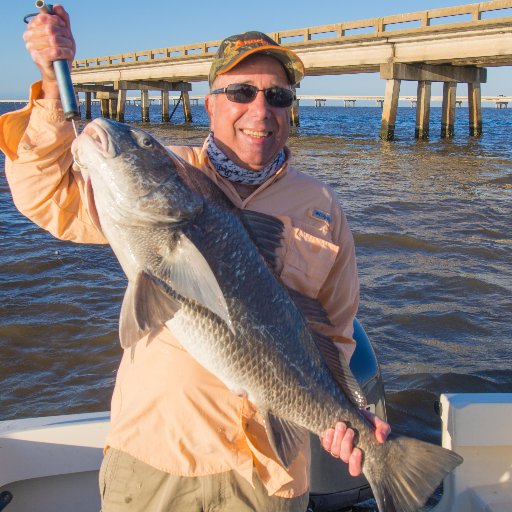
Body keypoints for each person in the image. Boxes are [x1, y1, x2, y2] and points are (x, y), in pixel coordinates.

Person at [0, 6, 390, 512]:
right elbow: (46, 193)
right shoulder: (167, 172)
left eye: (278, 96)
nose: (259, 109)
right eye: (241, 92)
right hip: (157, 459)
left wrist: (347, 417)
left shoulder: (322, 207)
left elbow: (335, 330)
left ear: (290, 109)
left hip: (268, 474)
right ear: (209, 104)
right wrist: (54, 88)